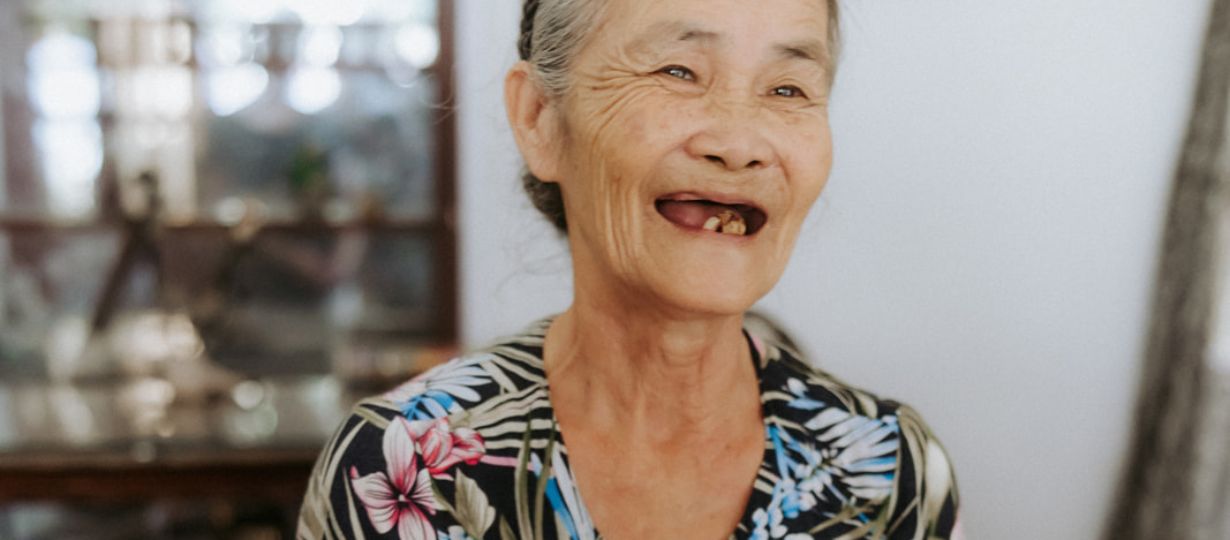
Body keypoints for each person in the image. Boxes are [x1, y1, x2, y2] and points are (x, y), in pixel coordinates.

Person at [297, 0, 962, 538]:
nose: (739, 144)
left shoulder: (889, 471)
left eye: (787, 88)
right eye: (678, 71)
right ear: (540, 118)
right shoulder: (401, 466)